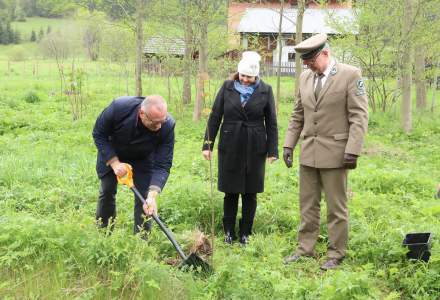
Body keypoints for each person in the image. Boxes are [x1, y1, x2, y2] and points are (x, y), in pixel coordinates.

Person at [282, 33, 368, 270]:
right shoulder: (305, 77)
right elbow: (298, 113)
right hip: (309, 152)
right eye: (305, 61)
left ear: (326, 54)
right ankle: (305, 248)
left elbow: (359, 116)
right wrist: (289, 144)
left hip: (337, 153)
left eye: (310, 59)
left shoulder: (350, 75)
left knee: (336, 207)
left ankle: (336, 253)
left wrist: (353, 149)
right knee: (307, 205)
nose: (307, 64)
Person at [202, 51, 278, 245]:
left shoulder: (266, 90)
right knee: (231, 190)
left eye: (249, 77)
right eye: (242, 76)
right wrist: (207, 145)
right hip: (230, 143)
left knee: (250, 192)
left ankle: (246, 233)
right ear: (238, 73)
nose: (245, 80)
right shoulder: (227, 87)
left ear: (256, 76)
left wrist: (272, 150)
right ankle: (228, 232)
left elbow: (271, 122)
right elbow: (215, 116)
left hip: (255, 145)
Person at [92, 95, 175, 236]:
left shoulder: (167, 126)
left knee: (145, 198)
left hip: (143, 157)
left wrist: (152, 195)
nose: (159, 126)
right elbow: (99, 133)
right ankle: (103, 233)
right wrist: (114, 162)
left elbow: (162, 164)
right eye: (155, 123)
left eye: (162, 121)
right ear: (142, 113)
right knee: (107, 191)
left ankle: (141, 241)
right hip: (113, 151)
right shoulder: (119, 108)